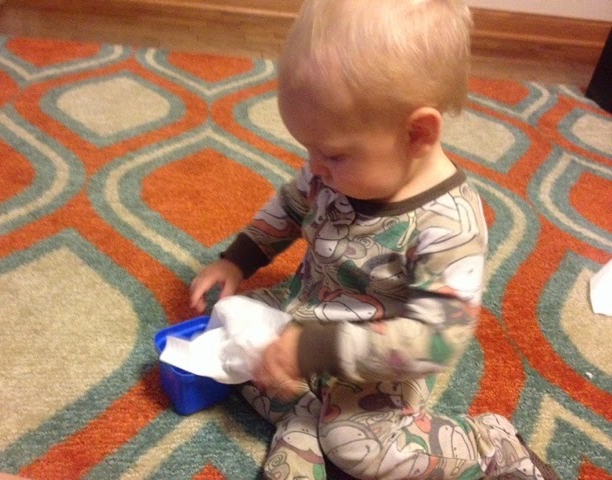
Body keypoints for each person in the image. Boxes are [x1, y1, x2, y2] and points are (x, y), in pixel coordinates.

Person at [190, 0, 559, 478]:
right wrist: (237, 260)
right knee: (232, 334)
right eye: (308, 149)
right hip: (307, 311)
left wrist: (312, 350)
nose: (314, 167)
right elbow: (291, 206)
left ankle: (491, 442)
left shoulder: (449, 226)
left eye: (332, 154)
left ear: (417, 133)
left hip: (380, 357)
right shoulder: (331, 168)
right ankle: (304, 413)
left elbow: (438, 341)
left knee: (355, 446)